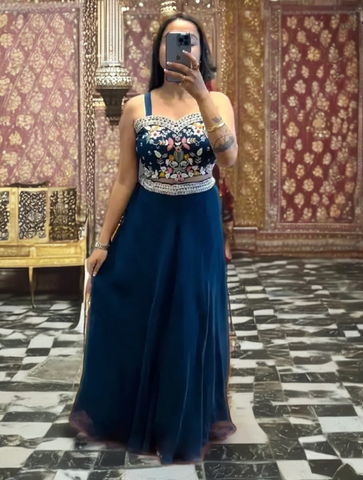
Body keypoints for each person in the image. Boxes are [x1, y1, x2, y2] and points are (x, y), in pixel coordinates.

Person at [70, 13, 238, 464]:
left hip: (198, 224)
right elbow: (125, 179)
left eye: (190, 40)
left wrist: (201, 95)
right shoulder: (135, 107)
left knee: (192, 317)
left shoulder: (218, 101)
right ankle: (134, 414)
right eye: (171, 40)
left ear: (202, 50)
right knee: (144, 314)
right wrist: (102, 242)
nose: (182, 47)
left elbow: (229, 158)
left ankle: (182, 421)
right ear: (159, 51)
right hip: (148, 224)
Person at [205, 73, 235, 262]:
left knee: (217, 196)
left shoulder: (214, 92)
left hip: (208, 155)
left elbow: (228, 154)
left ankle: (222, 241)